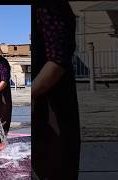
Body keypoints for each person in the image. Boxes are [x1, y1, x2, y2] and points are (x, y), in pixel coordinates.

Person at [32, 0, 81, 179]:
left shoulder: (49, 5)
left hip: (52, 104)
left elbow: (57, 61)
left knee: (56, 164)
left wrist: (30, 95)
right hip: (41, 103)